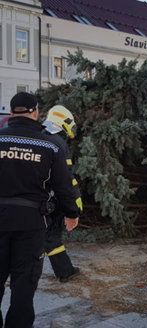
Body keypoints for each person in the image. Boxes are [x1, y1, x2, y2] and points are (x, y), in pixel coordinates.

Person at [0, 92, 79, 326]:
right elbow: (64, 187)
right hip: (31, 225)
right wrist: (72, 214)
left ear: (12, 111)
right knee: (23, 289)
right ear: (35, 112)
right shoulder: (49, 146)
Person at [42, 105, 82, 282]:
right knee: (51, 235)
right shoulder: (58, 143)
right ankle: (65, 272)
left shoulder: (36, 136)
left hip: (31, 197)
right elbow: (66, 179)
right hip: (52, 198)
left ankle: (65, 270)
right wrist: (73, 206)